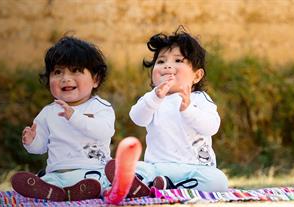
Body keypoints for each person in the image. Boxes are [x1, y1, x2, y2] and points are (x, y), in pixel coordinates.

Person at [107, 27, 228, 197]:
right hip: (157, 167)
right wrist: (155, 98)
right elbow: (137, 118)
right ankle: (134, 182)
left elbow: (212, 127)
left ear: (197, 76)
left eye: (178, 61)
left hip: (194, 168)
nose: (168, 66)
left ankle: (165, 187)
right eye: (161, 62)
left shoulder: (199, 99)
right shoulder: (153, 98)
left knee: (218, 181)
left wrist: (188, 110)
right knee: (139, 169)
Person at [11, 36, 115, 201]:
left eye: (75, 71)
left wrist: (74, 117)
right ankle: (52, 190)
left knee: (100, 181)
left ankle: (101, 190)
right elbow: (40, 147)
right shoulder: (48, 112)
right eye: (58, 72)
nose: (65, 78)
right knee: (47, 180)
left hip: (90, 169)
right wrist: (31, 142)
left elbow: (104, 132)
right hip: (58, 172)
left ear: (95, 79)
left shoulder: (101, 107)